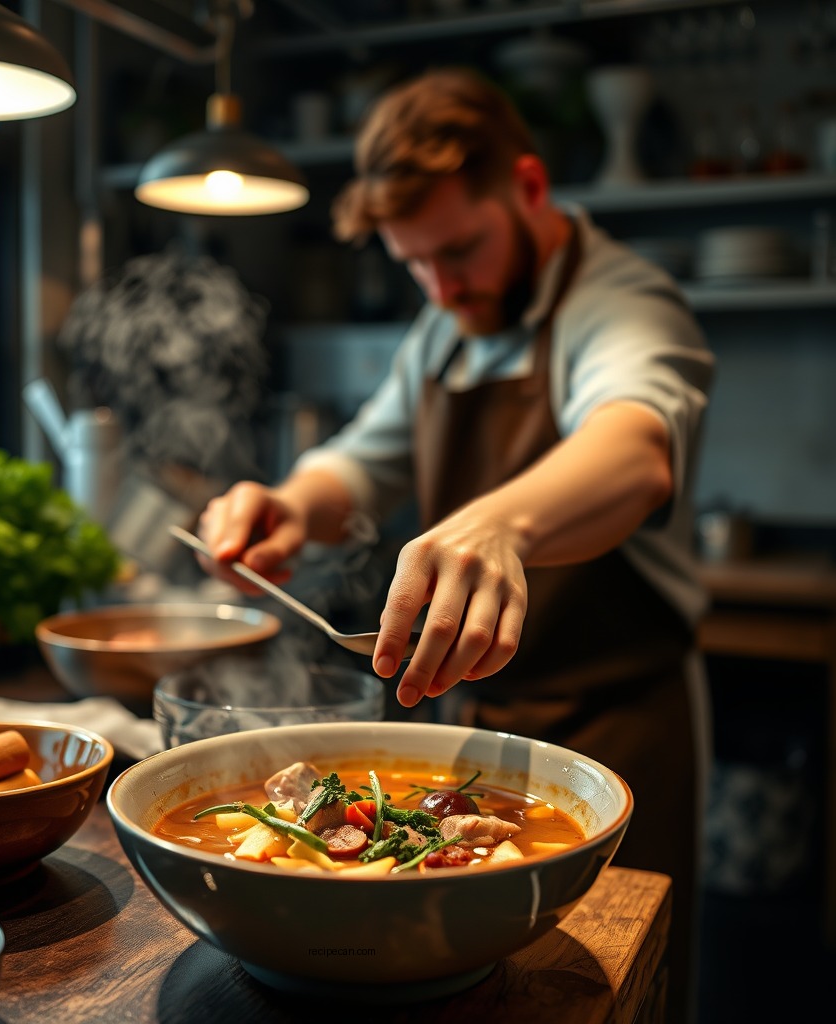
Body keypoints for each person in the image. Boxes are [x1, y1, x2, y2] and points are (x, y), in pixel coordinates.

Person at [192, 67, 714, 1024]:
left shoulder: (625, 301)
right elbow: (361, 459)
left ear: (527, 186)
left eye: (460, 250)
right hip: (481, 721)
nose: (443, 285)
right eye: (416, 265)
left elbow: (637, 448)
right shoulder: (444, 328)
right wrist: (288, 506)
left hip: (617, 716)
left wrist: (499, 522)